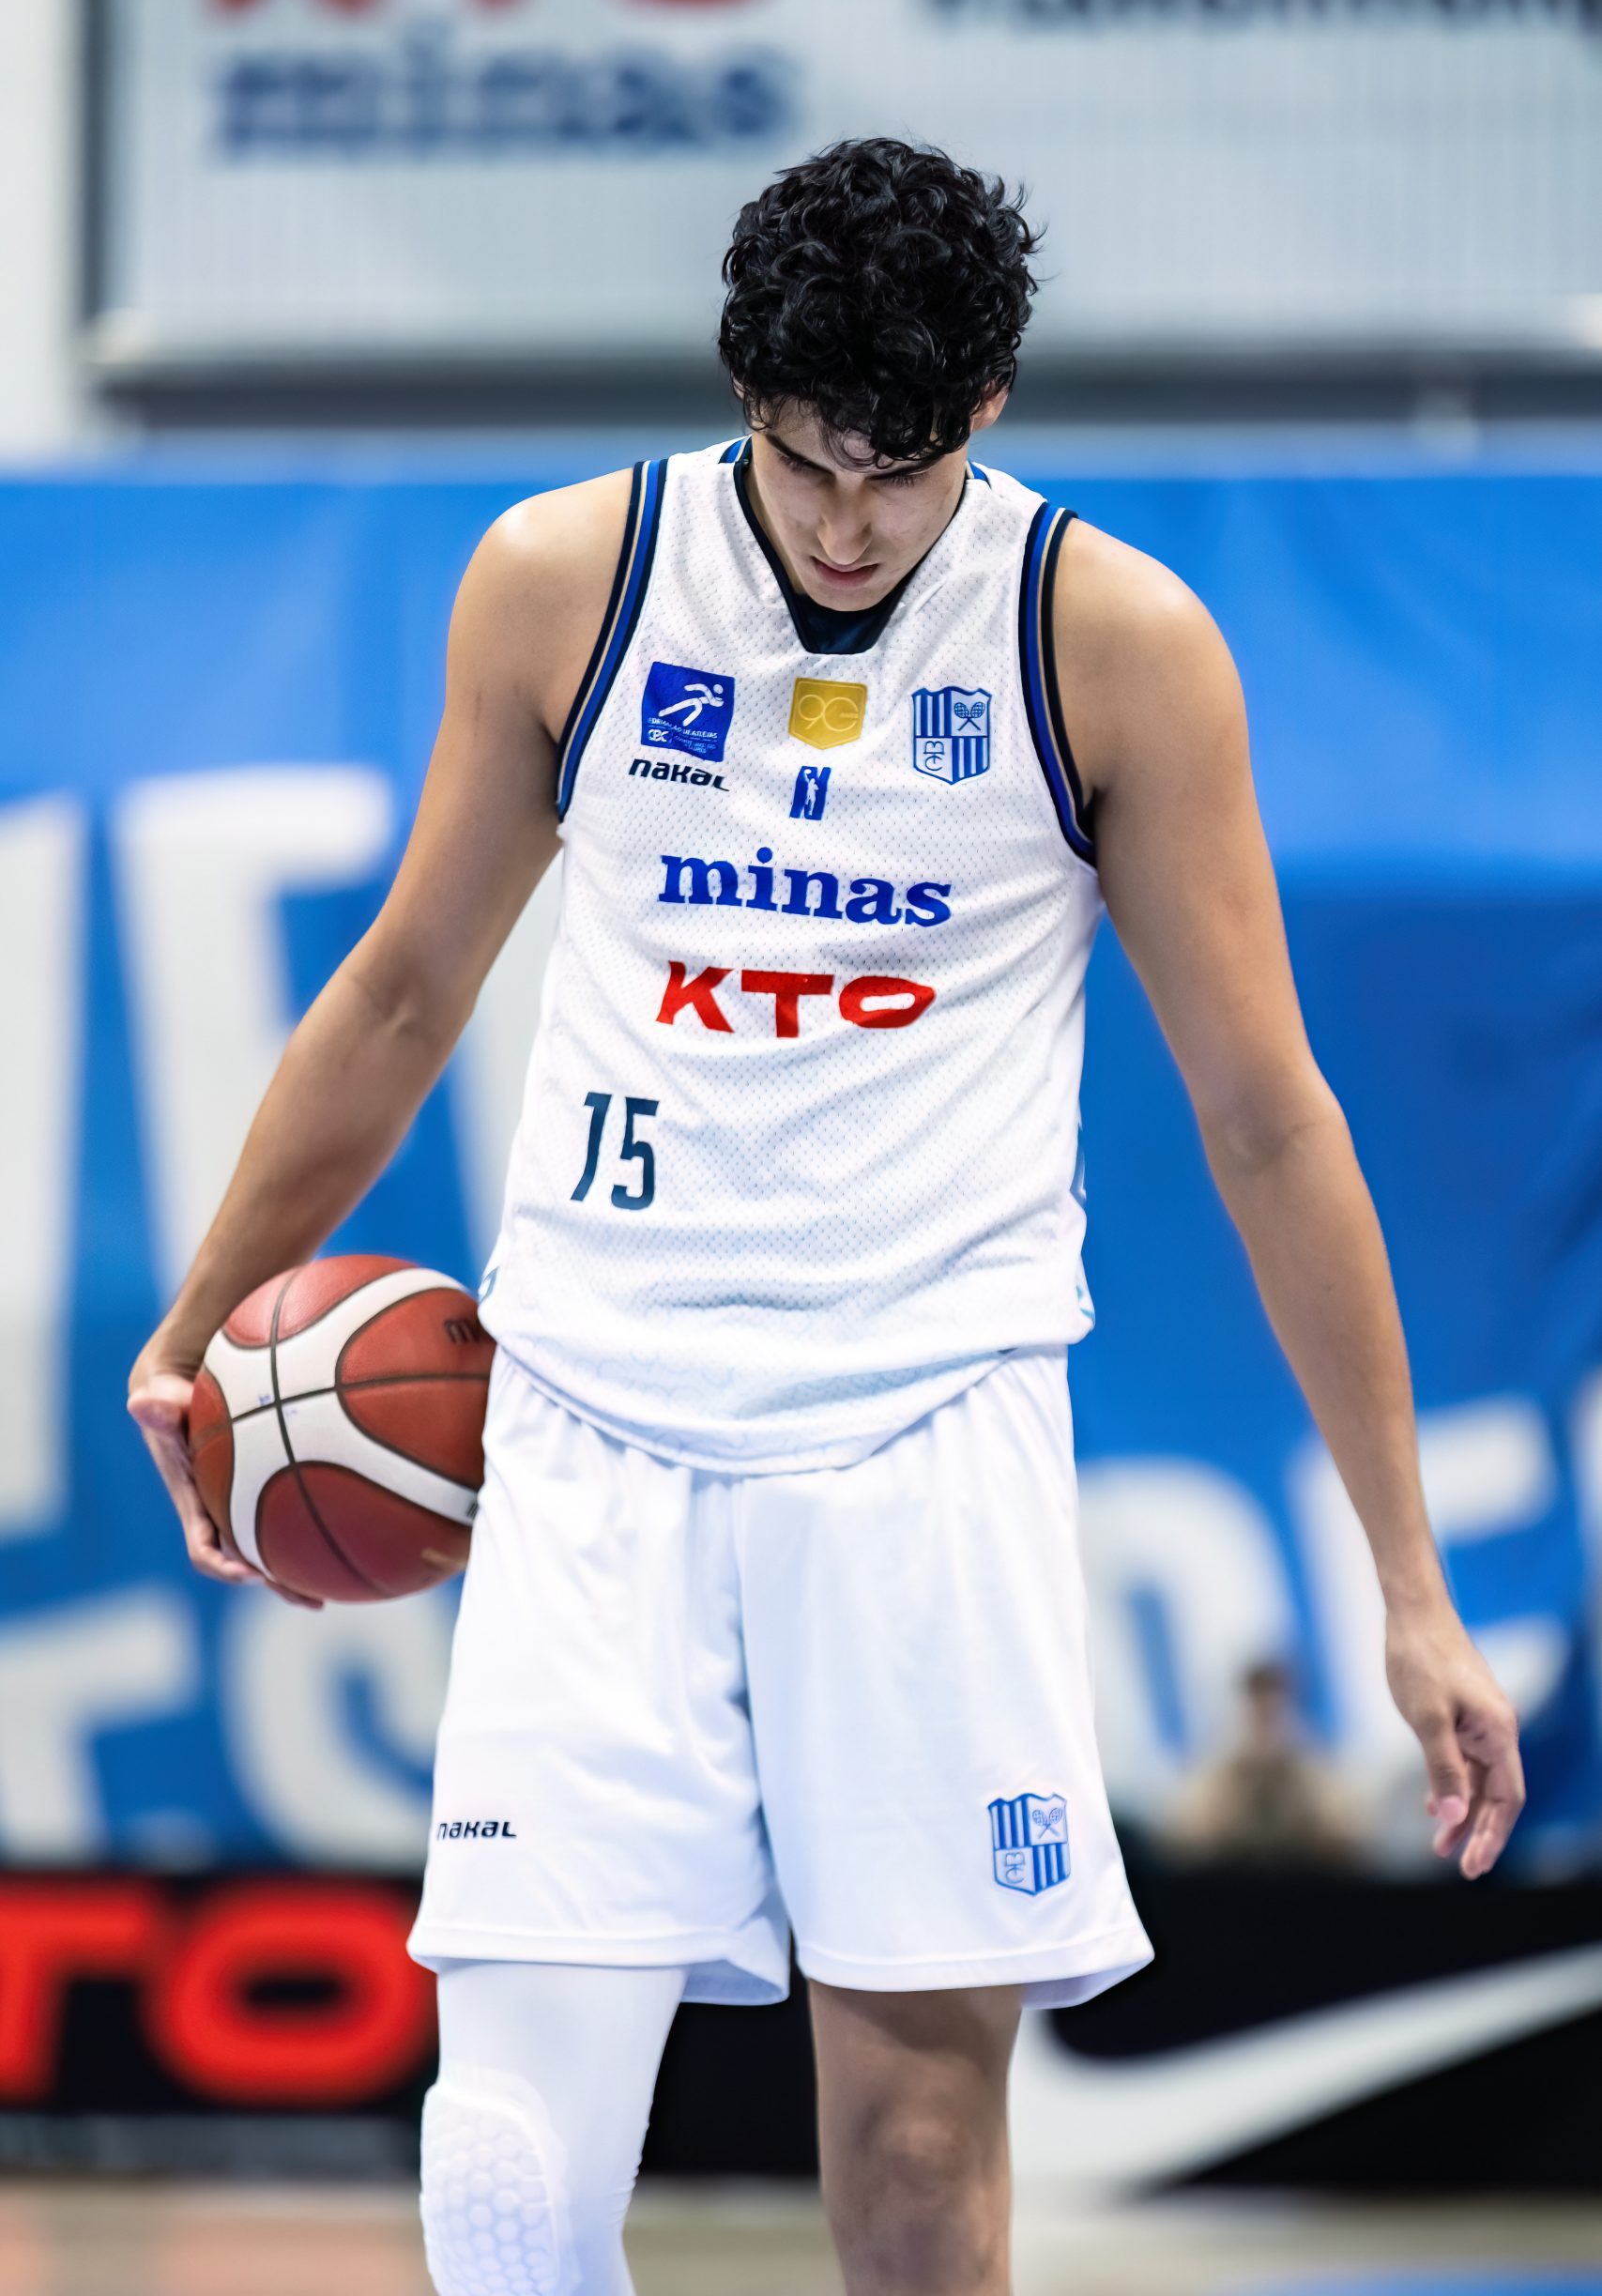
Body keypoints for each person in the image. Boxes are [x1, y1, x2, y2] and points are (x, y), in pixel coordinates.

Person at [128, 139, 1524, 2296]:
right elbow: (402, 989)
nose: (848, 521)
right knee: (502, 2172)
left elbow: (1265, 1117)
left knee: (910, 2159)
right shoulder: (565, 578)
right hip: (591, 1410)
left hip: (923, 1428)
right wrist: (200, 1316)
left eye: (900, 469)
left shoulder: (1111, 641)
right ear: (739, 393)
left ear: (987, 410)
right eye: (804, 464)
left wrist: (1407, 1584)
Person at [1166, 1661, 1358, 1869]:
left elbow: (1343, 1835)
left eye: (1273, 1712)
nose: (1266, 1724)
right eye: (1259, 1711)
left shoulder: (1313, 1767)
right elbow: (1188, 1836)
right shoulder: (1217, 1769)